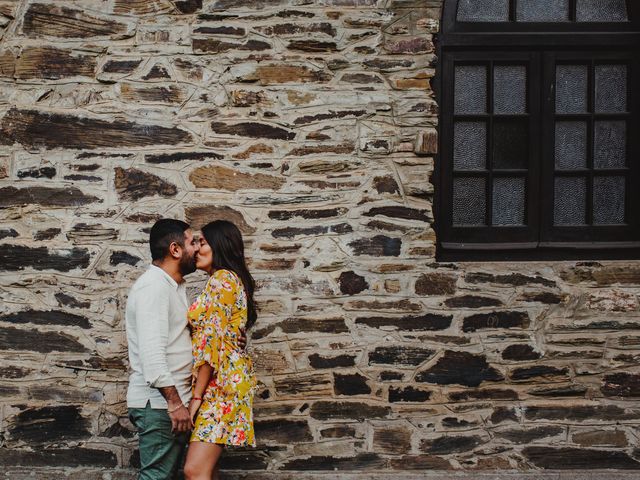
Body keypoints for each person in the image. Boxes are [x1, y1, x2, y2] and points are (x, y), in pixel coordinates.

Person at [183, 220, 257, 480]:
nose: (196, 249)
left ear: (219, 245)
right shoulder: (225, 280)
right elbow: (224, 335)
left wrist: (196, 398)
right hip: (223, 381)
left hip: (220, 385)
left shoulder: (222, 279)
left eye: (201, 242)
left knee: (194, 470)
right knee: (207, 469)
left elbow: (211, 345)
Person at [125, 219, 198, 479]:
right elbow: (152, 354)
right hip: (160, 406)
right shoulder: (153, 287)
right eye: (193, 242)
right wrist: (175, 404)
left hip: (170, 405)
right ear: (175, 250)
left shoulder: (173, 286)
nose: (198, 248)